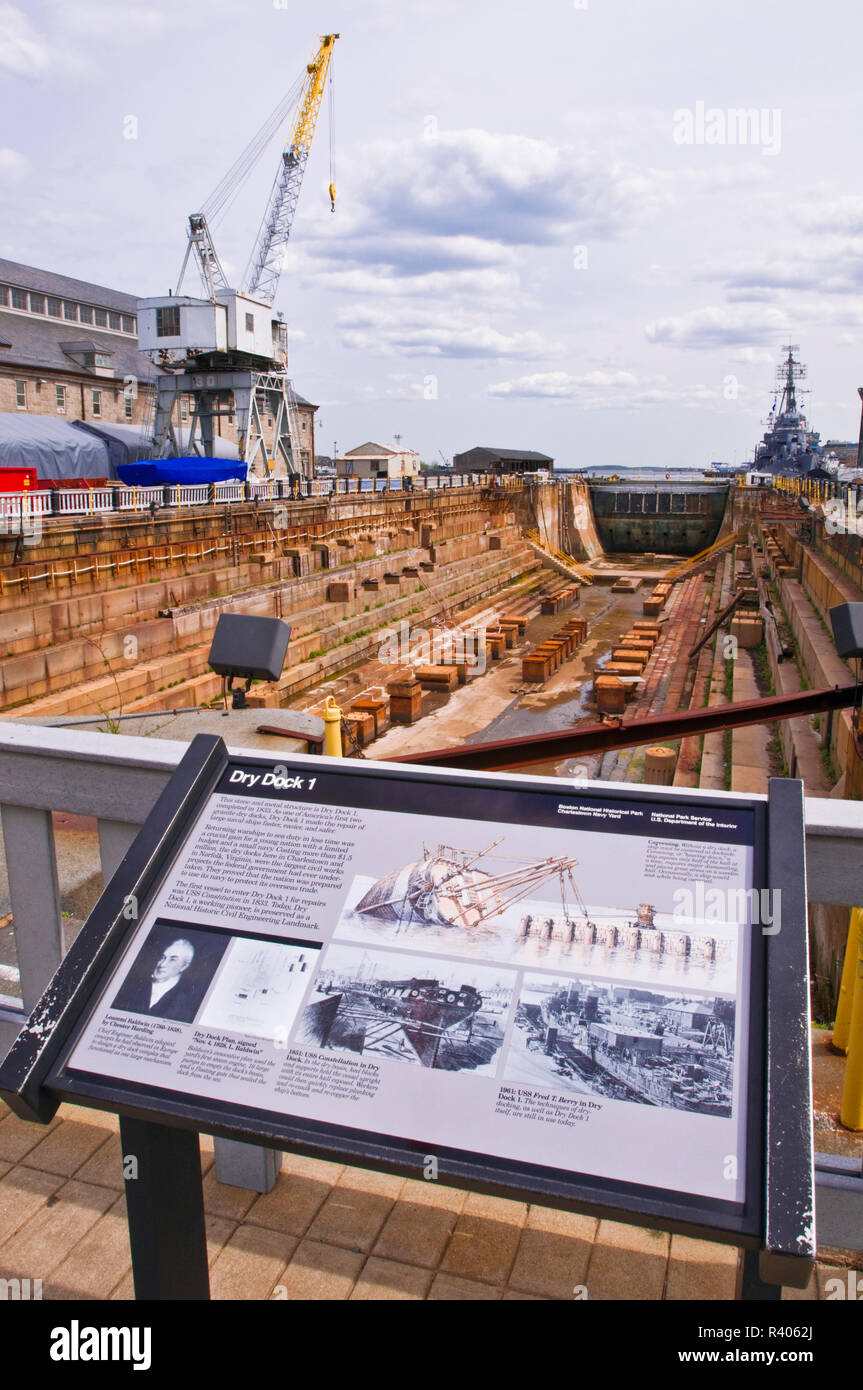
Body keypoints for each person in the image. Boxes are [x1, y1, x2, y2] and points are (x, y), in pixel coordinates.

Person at [113, 938, 202, 1022]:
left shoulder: (189, 1000)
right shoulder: (132, 986)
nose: (162, 964)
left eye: (173, 959)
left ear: (184, 966)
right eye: (163, 957)